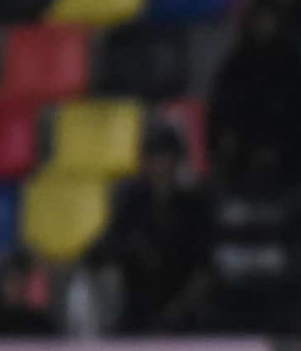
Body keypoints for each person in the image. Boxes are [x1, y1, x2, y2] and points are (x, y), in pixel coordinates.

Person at [87, 125, 215, 335]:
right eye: (155, 158)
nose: (161, 166)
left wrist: (177, 310)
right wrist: (131, 249)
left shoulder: (194, 206)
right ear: (145, 162)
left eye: (167, 158)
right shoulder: (130, 201)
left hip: (181, 316)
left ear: (177, 162)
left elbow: (203, 268)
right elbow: (100, 253)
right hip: (135, 312)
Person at [208, 0, 301, 185]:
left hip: (282, 151)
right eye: (259, 19)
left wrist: (276, 147)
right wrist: (227, 138)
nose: (264, 25)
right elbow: (222, 106)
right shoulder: (237, 62)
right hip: (242, 149)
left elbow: (300, 113)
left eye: (269, 18)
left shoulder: (292, 64)